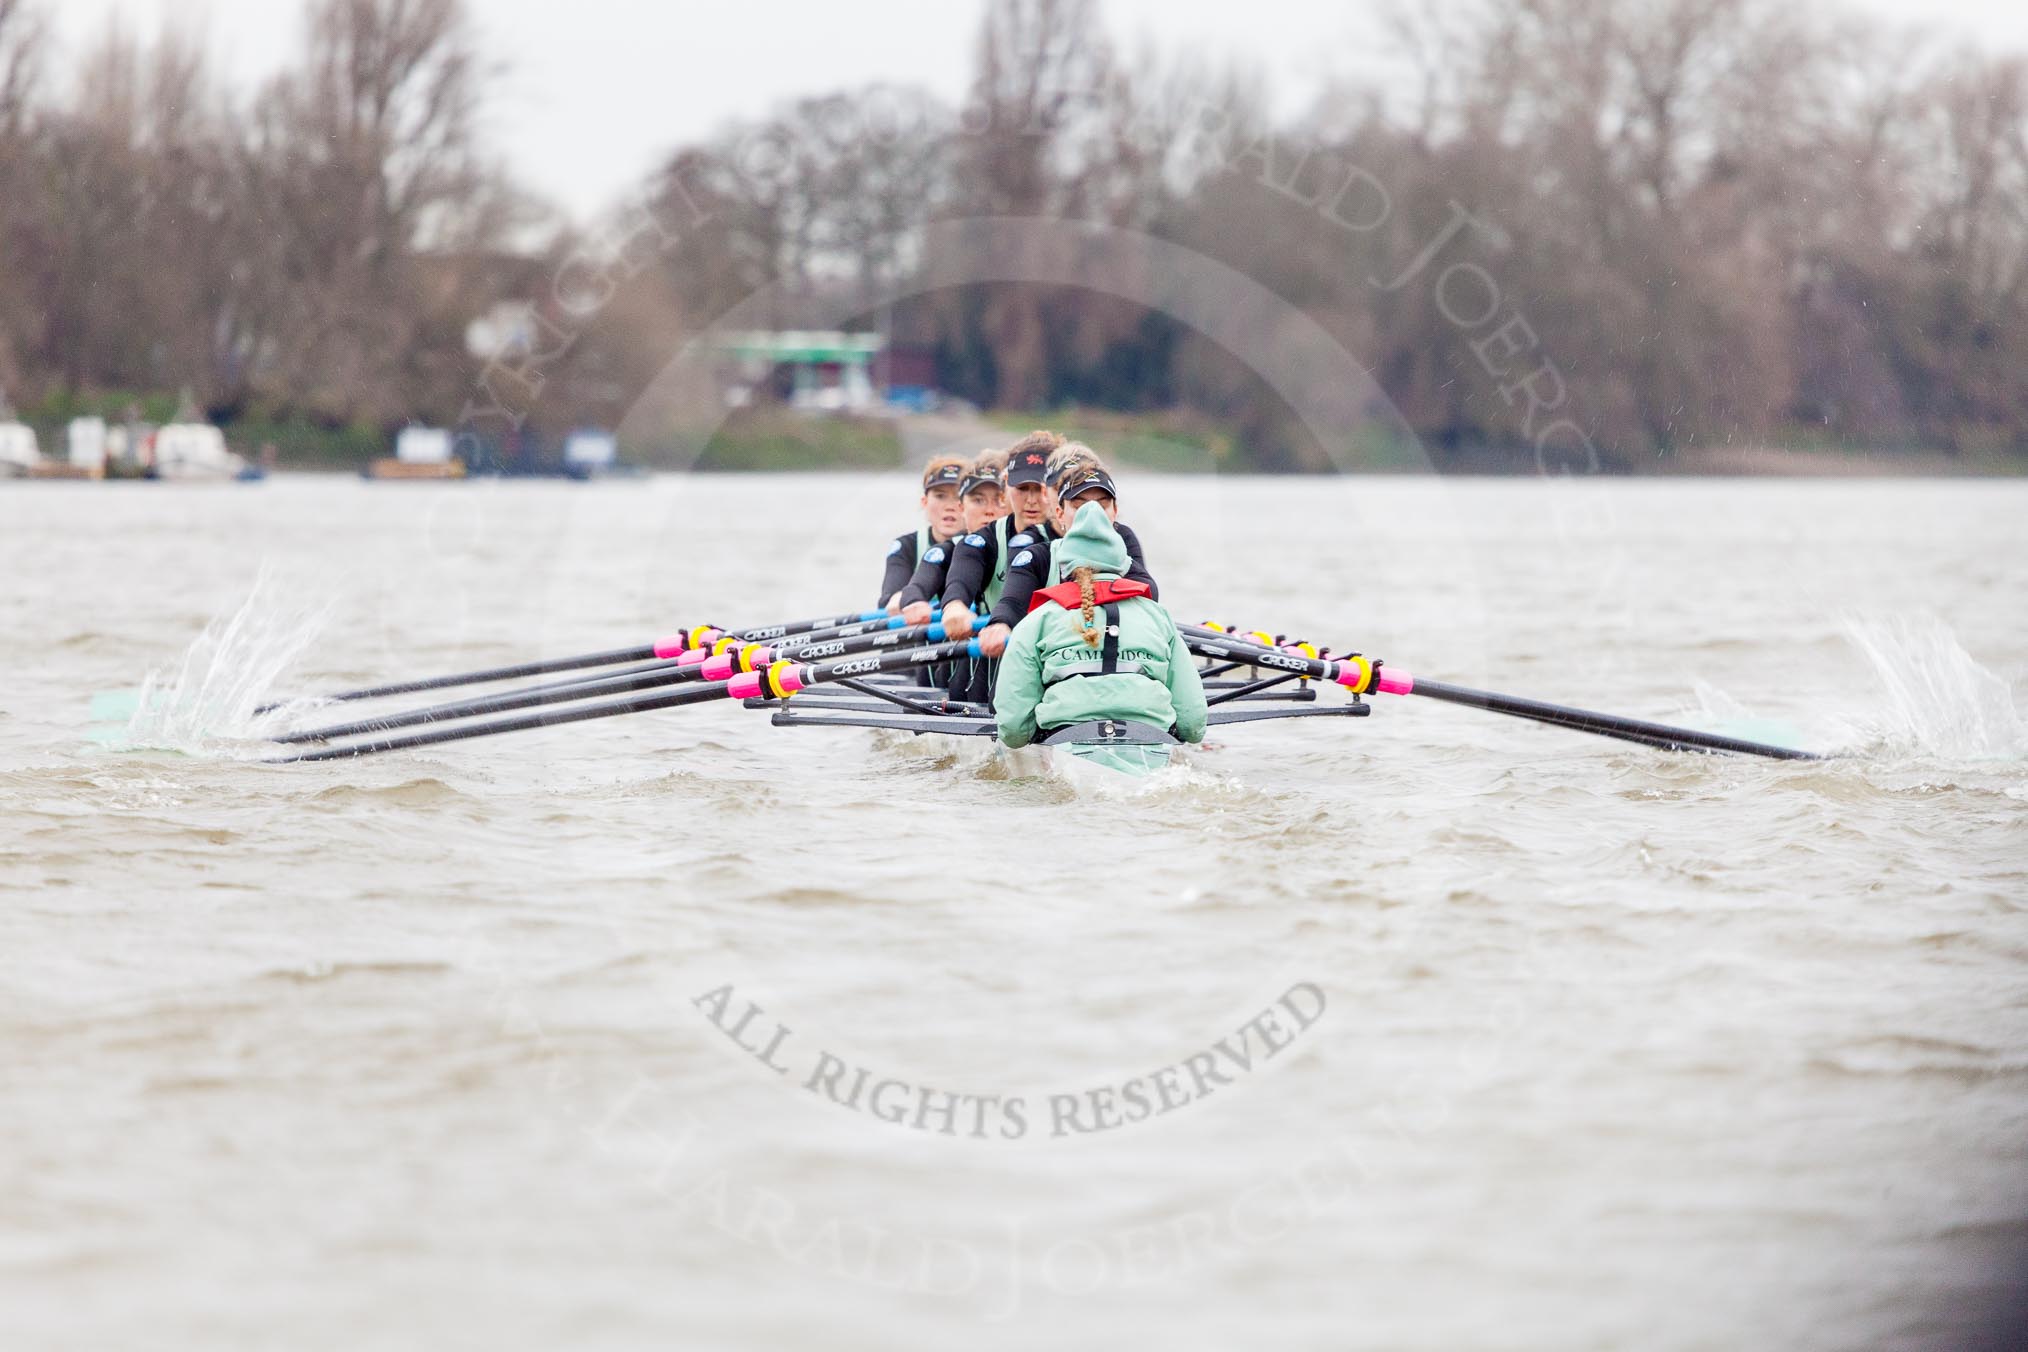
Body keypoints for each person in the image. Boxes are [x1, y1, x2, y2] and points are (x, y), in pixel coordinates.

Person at [994, 501, 1206, 750]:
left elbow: (1013, 730)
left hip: (1063, 743)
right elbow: (1193, 724)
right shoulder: (1158, 616)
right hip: (1151, 739)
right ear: (1122, 562)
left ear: (1066, 562)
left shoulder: (1039, 619)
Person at [971, 446, 1157, 663]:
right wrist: (1000, 624)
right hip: (1044, 658)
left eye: (1100, 504)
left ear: (1114, 510)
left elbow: (1150, 600)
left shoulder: (1127, 553)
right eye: (1080, 505)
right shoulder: (1034, 551)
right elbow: (1013, 600)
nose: (1091, 515)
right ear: (1058, 509)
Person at [876, 456, 967, 611]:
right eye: (940, 496)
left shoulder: (984, 543)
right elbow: (889, 601)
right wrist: (899, 599)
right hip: (918, 626)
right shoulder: (906, 546)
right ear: (924, 502)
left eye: (958, 497)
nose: (950, 506)